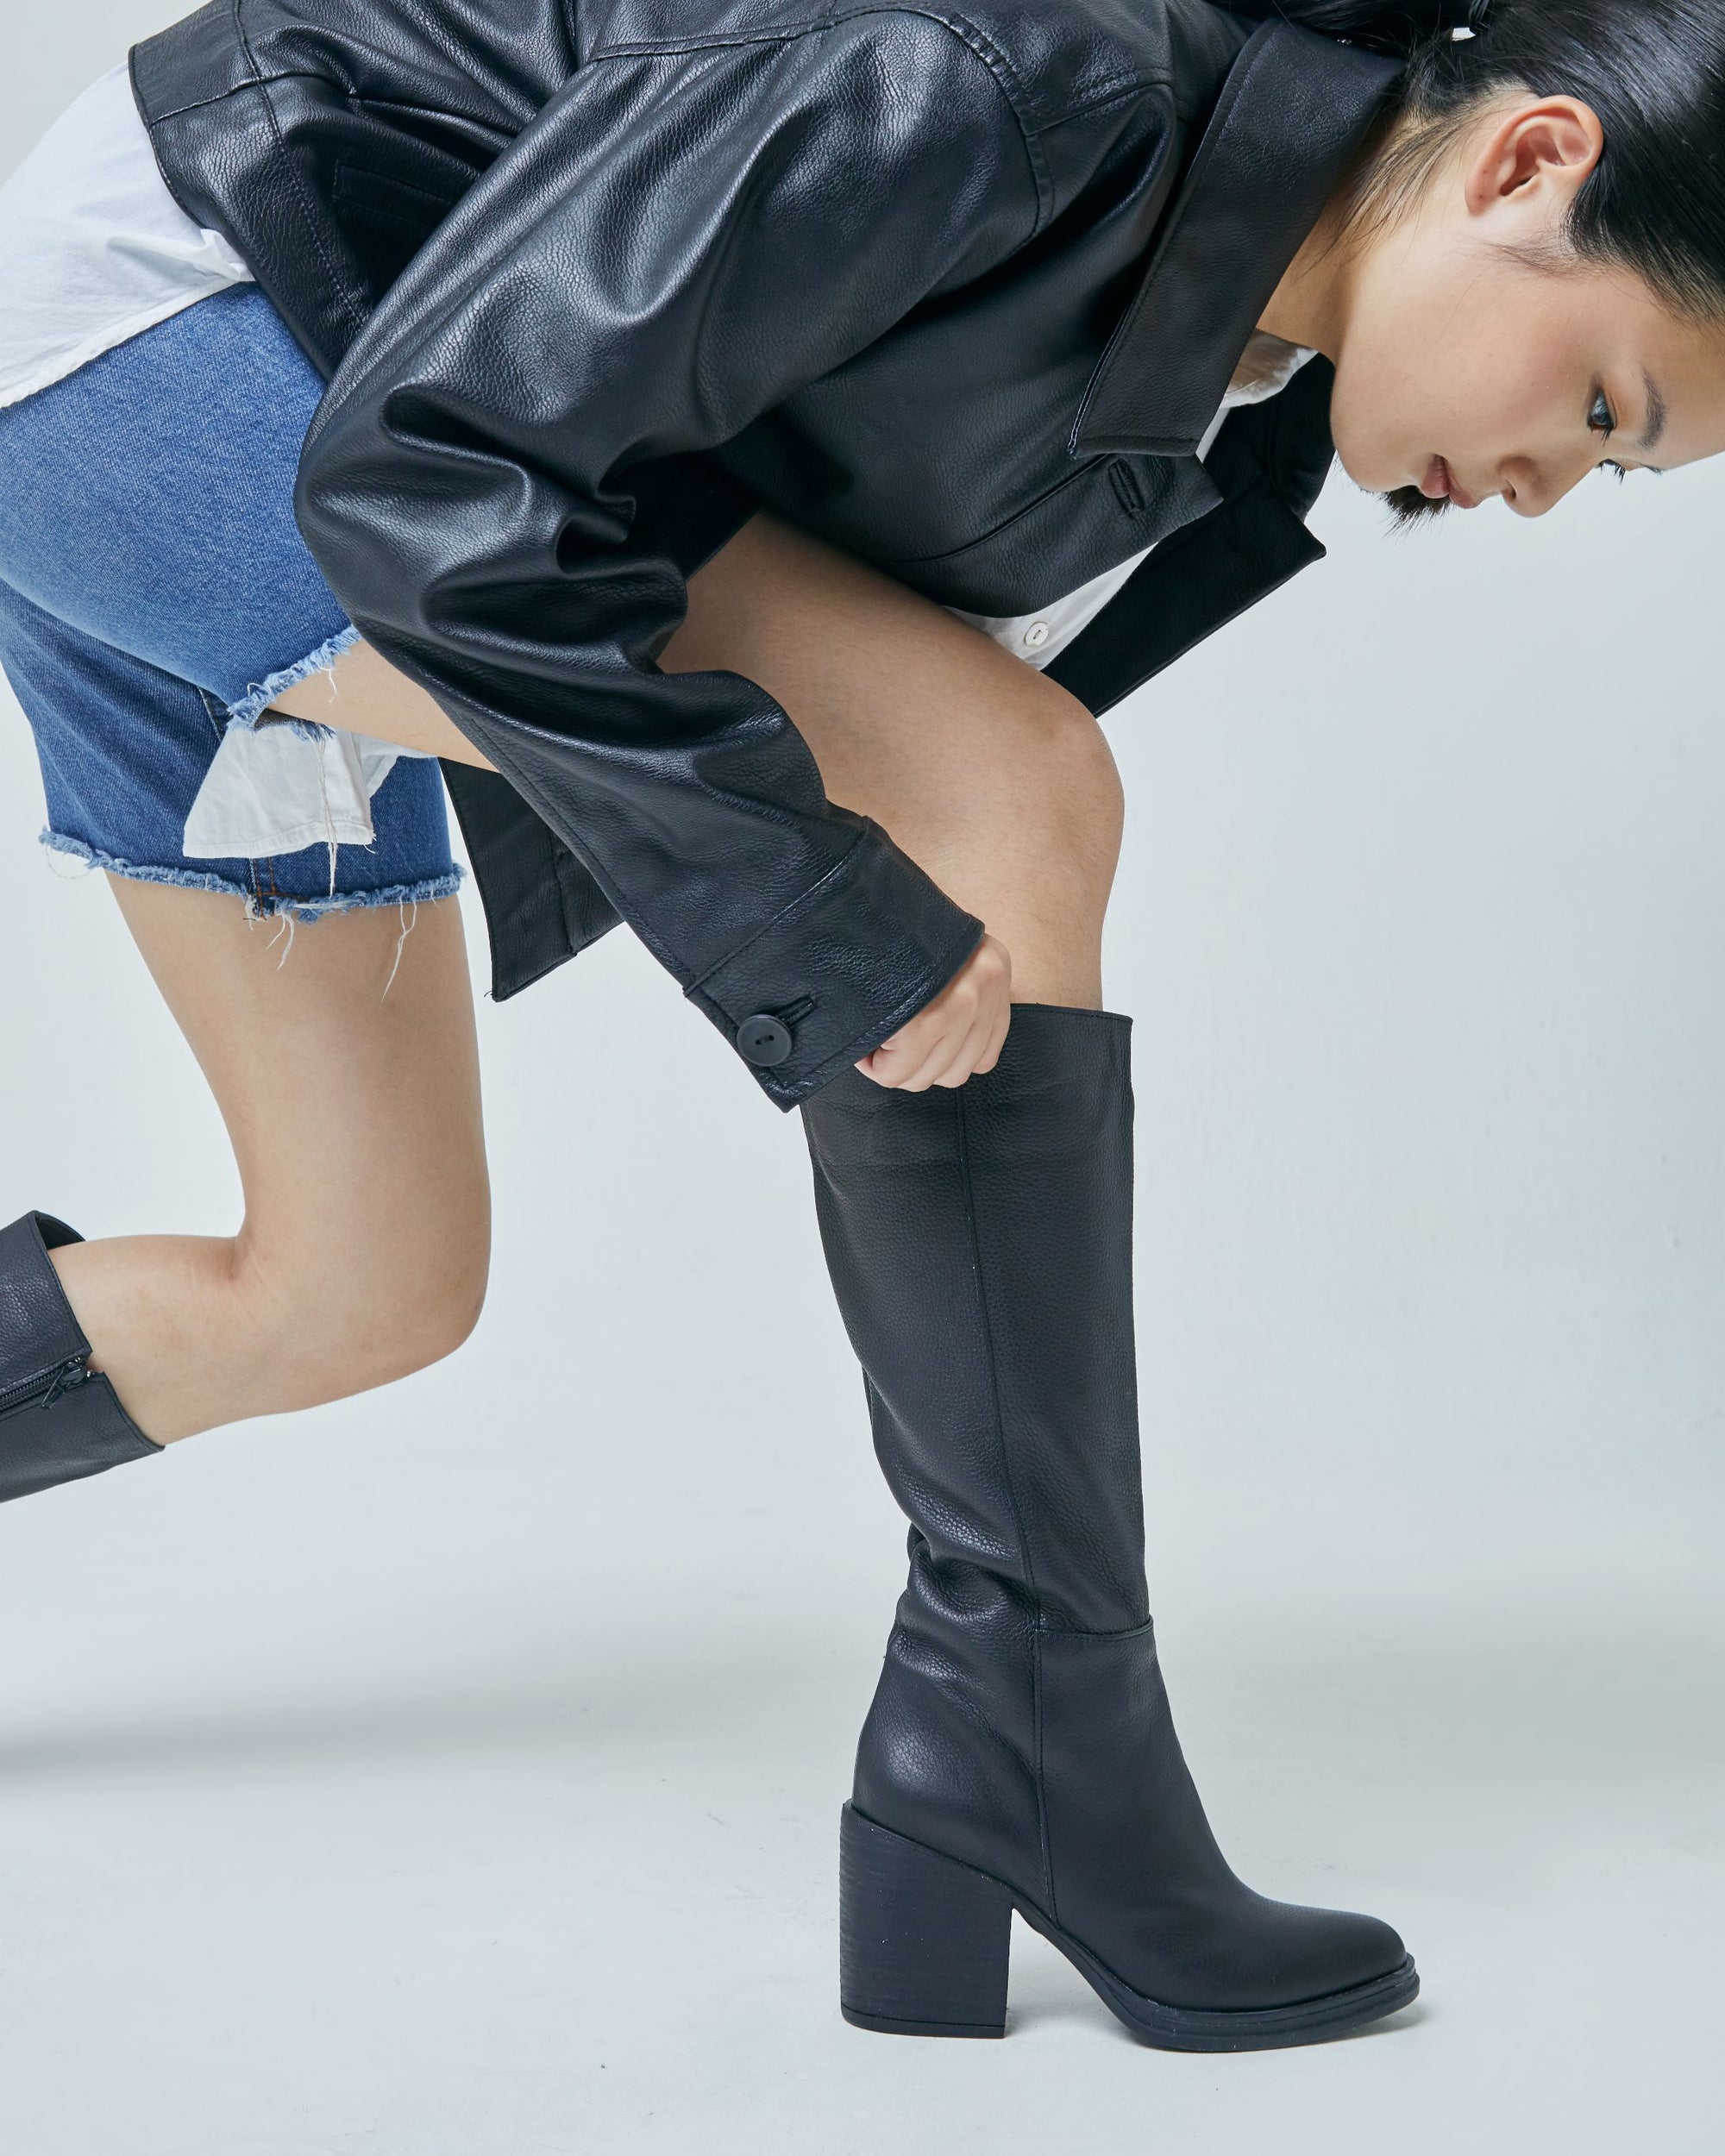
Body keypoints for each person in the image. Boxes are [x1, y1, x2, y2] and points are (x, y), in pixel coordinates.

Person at [3, 0, 1722, 2051]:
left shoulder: (1248, 387)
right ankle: (1026, 1736)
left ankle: (1013, 1744)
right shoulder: (1013, 75)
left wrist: (844, 868)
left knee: (353, 1285)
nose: (1549, 488)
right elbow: (437, 460)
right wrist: (799, 910)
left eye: (1621, 473)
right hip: (193, 335)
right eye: (1603, 403)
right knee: (1007, 781)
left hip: (276, 410)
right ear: (1530, 161)